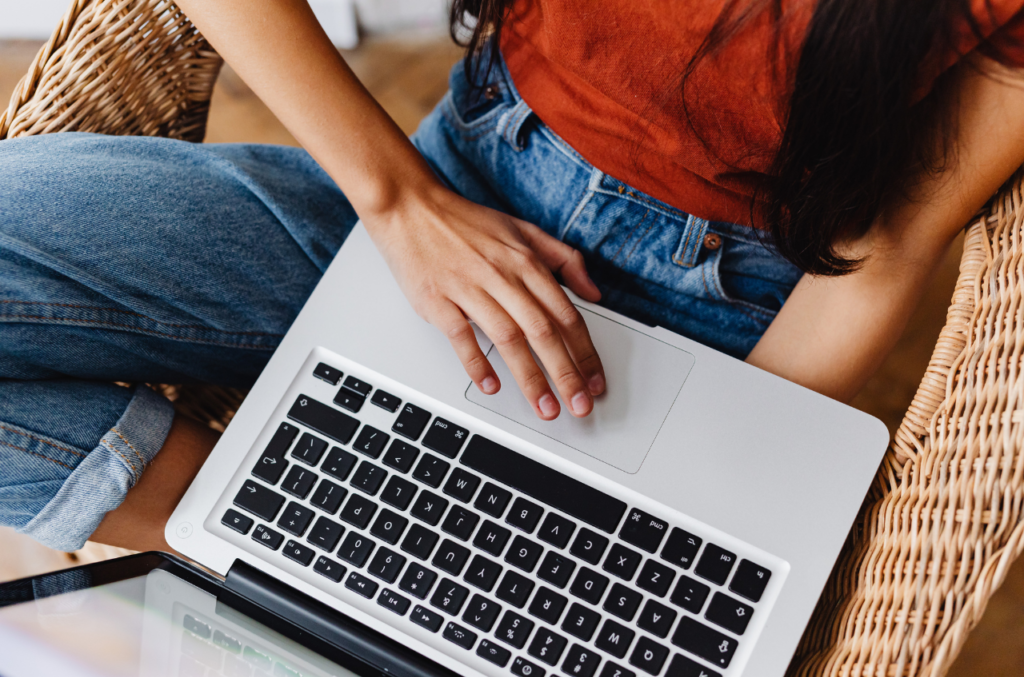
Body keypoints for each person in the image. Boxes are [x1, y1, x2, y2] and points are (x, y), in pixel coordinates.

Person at [2, 0, 1024, 554]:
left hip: (705, 319)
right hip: (446, 181)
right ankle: (239, 546)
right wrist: (402, 203)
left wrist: (677, 490)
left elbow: (890, 247)